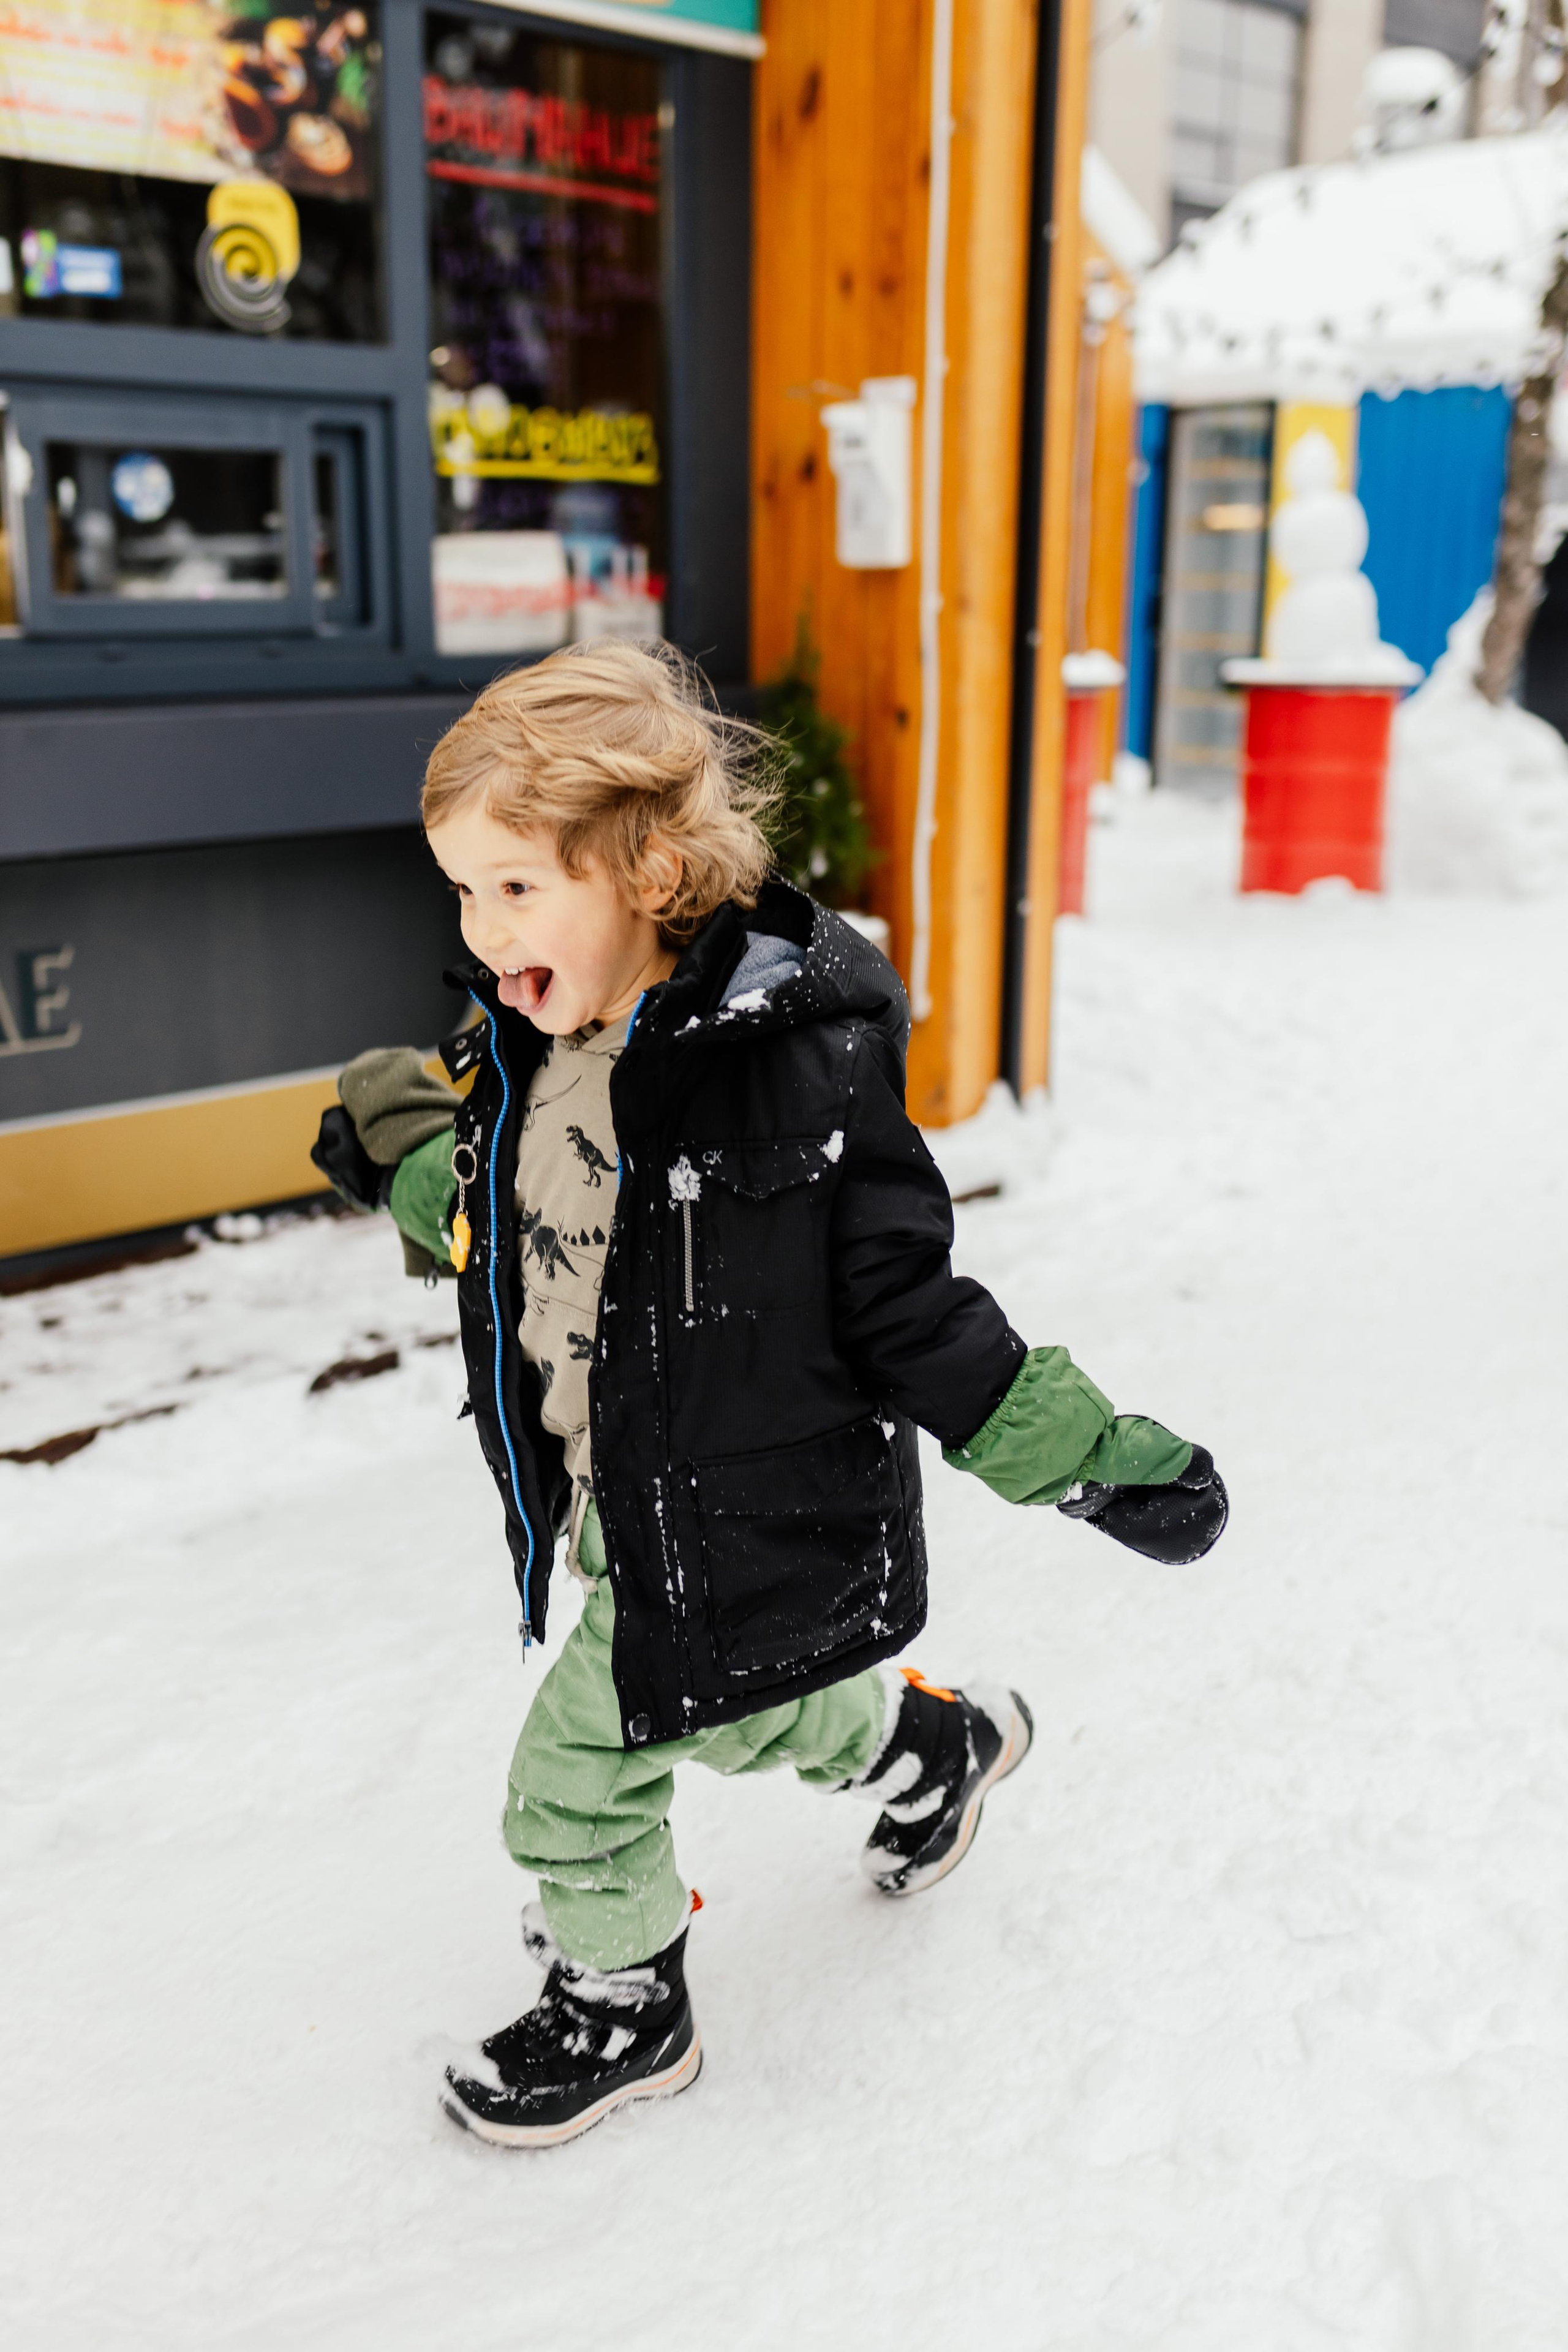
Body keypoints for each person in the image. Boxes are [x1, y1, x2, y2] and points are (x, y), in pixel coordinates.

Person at [312, 639, 1228, 2151]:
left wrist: (1091, 1457)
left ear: (652, 872)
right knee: (749, 1713)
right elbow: (508, 1214)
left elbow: (910, 1309)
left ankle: (624, 2007)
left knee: (576, 1780)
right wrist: (407, 1158)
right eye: (462, 890)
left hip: (744, 1508)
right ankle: (935, 1750)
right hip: (617, 1493)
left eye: (516, 887)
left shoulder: (788, 1074)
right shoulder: (537, 1045)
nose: (482, 930)